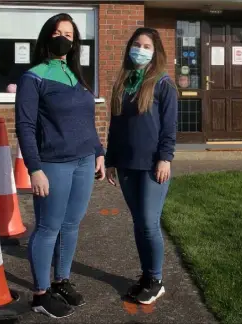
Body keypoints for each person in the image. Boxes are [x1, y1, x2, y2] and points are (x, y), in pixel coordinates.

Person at [15, 13, 105, 319]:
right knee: (48, 228)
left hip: (83, 162)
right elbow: (25, 126)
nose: (62, 37)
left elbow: (87, 121)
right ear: (46, 37)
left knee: (71, 225)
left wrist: (99, 152)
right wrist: (34, 168)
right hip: (53, 164)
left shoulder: (76, 76)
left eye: (68, 34)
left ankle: (61, 281)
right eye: (57, 32)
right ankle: (41, 293)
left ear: (74, 42)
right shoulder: (34, 77)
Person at [105, 27, 178, 306]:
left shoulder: (163, 84)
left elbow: (169, 127)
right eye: (137, 44)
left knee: (149, 223)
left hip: (151, 165)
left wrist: (165, 158)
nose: (141, 49)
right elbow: (116, 126)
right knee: (139, 224)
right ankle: (147, 277)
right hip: (125, 164)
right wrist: (111, 160)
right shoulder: (123, 82)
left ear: (155, 51)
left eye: (147, 46)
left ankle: (156, 280)